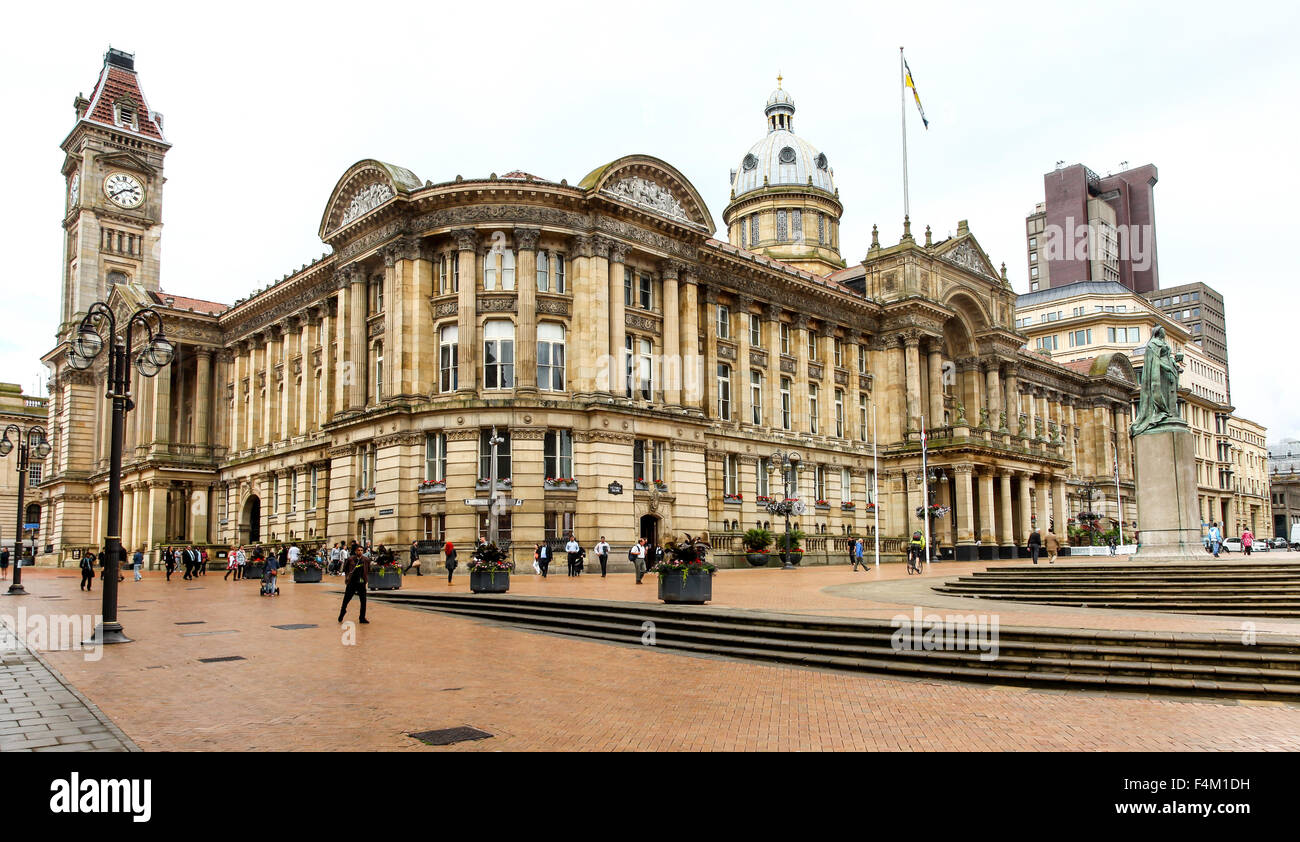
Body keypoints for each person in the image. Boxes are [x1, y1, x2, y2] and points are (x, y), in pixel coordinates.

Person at [338, 545, 370, 624]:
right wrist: (347, 577)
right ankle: (342, 612)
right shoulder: (350, 559)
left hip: (361, 582)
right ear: (355, 551)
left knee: (363, 601)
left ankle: (362, 617)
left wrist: (365, 578)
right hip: (352, 582)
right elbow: (345, 569)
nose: (360, 552)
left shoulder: (366, 560)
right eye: (358, 550)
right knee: (346, 599)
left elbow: (368, 569)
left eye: (362, 550)